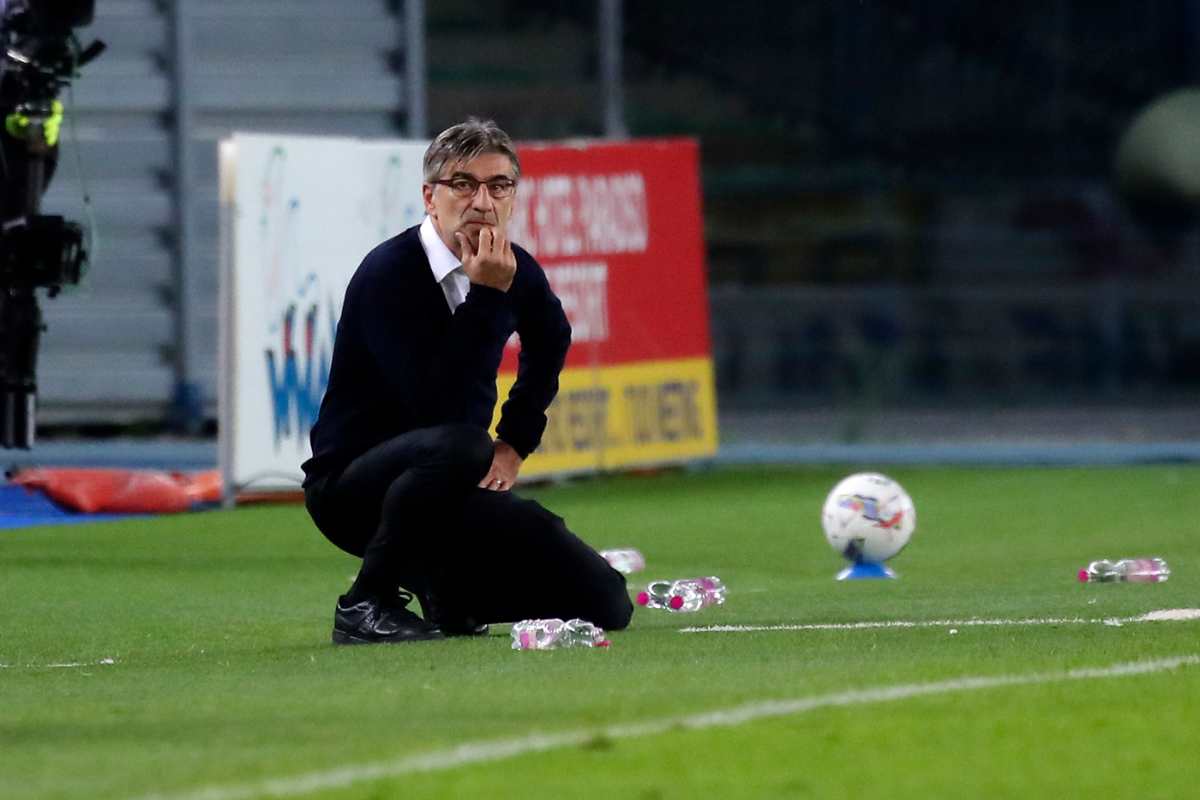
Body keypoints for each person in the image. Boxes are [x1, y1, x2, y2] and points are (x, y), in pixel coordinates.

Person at [301, 118, 633, 644]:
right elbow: (434, 402)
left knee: (607, 601)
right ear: (430, 197)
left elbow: (551, 341)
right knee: (459, 443)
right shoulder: (390, 274)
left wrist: (516, 442)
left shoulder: (512, 268)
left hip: (454, 481)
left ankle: (448, 598)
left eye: (499, 186)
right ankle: (366, 602)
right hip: (355, 490)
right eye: (463, 184)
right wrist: (485, 297)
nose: (482, 201)